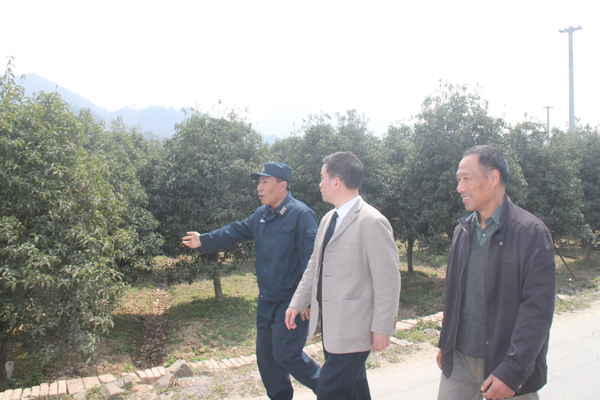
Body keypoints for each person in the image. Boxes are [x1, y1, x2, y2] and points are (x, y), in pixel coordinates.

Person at [182, 162, 320, 400]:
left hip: (291, 302)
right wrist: (204, 239)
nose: (259, 187)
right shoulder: (261, 215)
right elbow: (234, 231)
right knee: (267, 360)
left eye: (265, 182)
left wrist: (306, 300)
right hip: (266, 300)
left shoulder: (301, 214)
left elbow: (312, 260)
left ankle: (333, 391)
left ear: (283, 185)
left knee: (286, 354)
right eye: (259, 182)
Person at [437, 145, 556, 400]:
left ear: (493, 178)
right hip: (459, 362)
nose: (459, 188)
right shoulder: (462, 231)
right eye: (458, 180)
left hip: (506, 366)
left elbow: (537, 311)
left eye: (466, 178)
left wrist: (512, 372)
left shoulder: (530, 233)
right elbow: (453, 294)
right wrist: (445, 344)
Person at [285, 151, 401, 400]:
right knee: (355, 389)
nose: (320, 184)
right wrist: (297, 302)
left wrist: (383, 327)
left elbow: (388, 281)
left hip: (355, 328)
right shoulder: (329, 219)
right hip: (332, 325)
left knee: (330, 391)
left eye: (322, 178)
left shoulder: (372, 221)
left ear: (336, 182)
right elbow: (314, 266)